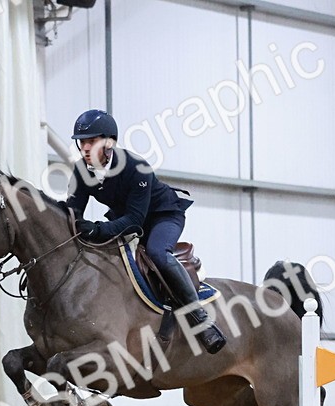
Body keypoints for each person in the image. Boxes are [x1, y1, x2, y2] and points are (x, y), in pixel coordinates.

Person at [66, 109, 226, 354]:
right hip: (125, 218)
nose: (85, 148)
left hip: (162, 216)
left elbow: (135, 221)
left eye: (91, 141)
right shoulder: (82, 171)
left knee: (157, 252)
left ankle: (201, 320)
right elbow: (72, 212)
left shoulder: (136, 168)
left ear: (109, 143)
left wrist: (97, 230)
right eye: (82, 142)